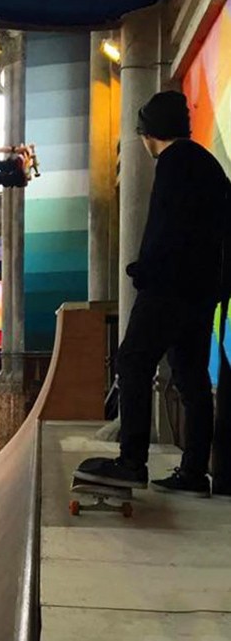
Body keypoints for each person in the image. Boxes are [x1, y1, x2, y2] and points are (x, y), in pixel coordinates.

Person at [75, 90, 230, 497]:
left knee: (133, 360)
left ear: (148, 133)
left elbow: (166, 227)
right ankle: (194, 471)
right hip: (201, 291)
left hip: (168, 287)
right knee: (192, 378)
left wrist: (144, 269)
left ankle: (131, 462)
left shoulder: (173, 162)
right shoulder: (209, 165)